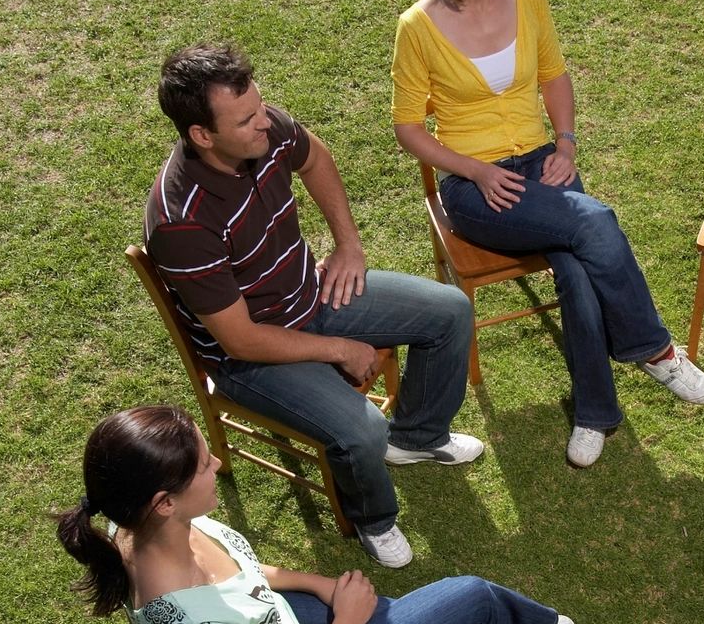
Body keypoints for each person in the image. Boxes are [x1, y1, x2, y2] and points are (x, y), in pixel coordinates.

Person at [392, 0, 704, 469]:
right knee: (594, 223)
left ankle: (596, 413)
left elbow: (554, 76)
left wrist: (566, 144)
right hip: (476, 187)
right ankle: (653, 350)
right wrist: (476, 171)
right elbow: (409, 129)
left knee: (576, 264)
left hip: (541, 162)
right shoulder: (417, 27)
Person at [57, 406, 611, 624]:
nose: (219, 465)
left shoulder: (140, 528)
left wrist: (317, 583)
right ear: (164, 501)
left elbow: (245, 575)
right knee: (466, 596)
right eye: (204, 465)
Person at [145, 44, 479, 569]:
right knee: (363, 429)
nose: (266, 123)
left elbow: (315, 157)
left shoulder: (265, 130)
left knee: (450, 310)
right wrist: (341, 349)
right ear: (202, 136)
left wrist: (348, 244)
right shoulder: (181, 222)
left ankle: (416, 437)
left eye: (260, 108)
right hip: (252, 357)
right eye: (247, 119)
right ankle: (374, 519)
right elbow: (241, 339)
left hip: (311, 294)